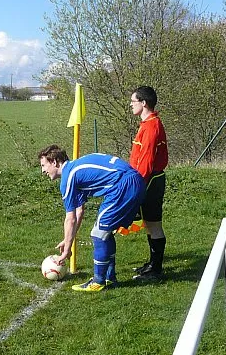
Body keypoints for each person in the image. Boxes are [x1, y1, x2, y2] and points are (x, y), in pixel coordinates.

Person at [38, 145, 145, 292]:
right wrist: (68, 239)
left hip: (123, 185)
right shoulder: (75, 170)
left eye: (44, 165)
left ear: (55, 162)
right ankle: (109, 277)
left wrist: (66, 251)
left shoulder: (69, 177)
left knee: (98, 233)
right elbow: (79, 212)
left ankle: (98, 281)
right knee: (104, 232)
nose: (43, 170)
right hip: (132, 182)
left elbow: (70, 218)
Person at [129, 86, 169, 281]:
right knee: (148, 223)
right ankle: (152, 263)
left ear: (143, 103)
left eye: (133, 101)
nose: (131, 105)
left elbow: (145, 162)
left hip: (150, 181)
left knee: (154, 225)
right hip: (146, 180)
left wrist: (136, 187)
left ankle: (156, 270)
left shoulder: (152, 126)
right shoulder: (146, 124)